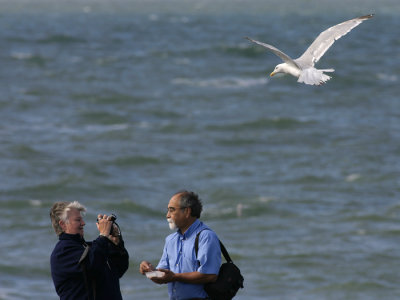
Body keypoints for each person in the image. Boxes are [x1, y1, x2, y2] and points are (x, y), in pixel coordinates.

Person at [140, 190, 221, 300]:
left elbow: (210, 275)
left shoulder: (206, 236)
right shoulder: (170, 240)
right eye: (168, 211)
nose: (167, 215)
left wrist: (175, 277)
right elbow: (163, 276)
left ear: (187, 211)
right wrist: (149, 270)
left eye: (171, 210)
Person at [50, 201, 129, 300]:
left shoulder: (91, 248)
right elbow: (92, 266)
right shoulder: (62, 252)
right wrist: (103, 235)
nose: (83, 223)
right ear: (63, 224)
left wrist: (116, 241)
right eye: (78, 220)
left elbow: (119, 268)